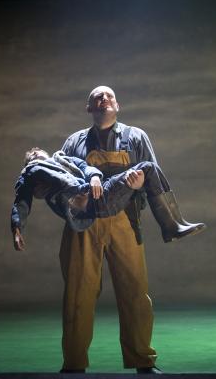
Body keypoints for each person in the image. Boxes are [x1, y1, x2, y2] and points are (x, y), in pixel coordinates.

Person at [58, 85, 205, 374]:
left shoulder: (136, 137)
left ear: (118, 105)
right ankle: (73, 365)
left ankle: (142, 361)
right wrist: (71, 197)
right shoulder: (73, 142)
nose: (103, 100)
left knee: (135, 294)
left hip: (125, 222)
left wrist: (137, 189)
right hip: (82, 227)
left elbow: (153, 180)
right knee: (78, 296)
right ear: (89, 108)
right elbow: (58, 181)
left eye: (108, 96)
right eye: (97, 97)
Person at [11, 147, 205, 251]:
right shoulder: (31, 172)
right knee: (35, 169)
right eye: (32, 155)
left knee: (147, 167)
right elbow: (21, 201)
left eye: (38, 153)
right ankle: (80, 188)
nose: (36, 155)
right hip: (83, 208)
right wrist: (17, 227)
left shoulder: (63, 160)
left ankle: (172, 226)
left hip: (102, 196)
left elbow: (86, 167)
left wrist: (94, 177)